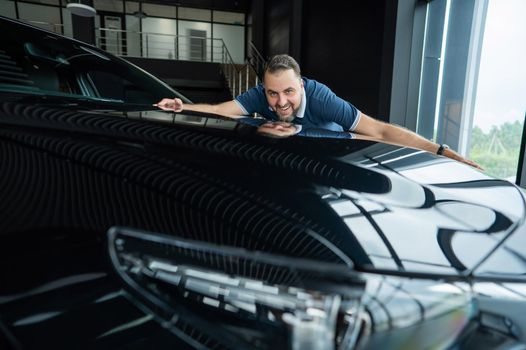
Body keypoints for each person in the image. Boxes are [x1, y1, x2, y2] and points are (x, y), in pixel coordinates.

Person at [156, 54, 481, 169]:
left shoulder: (323, 99)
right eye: (273, 93)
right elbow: (220, 110)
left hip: (334, 157)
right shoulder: (261, 96)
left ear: (301, 86)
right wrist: (182, 106)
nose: (280, 102)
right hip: (295, 158)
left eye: (289, 92)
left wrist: (439, 150)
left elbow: (379, 130)